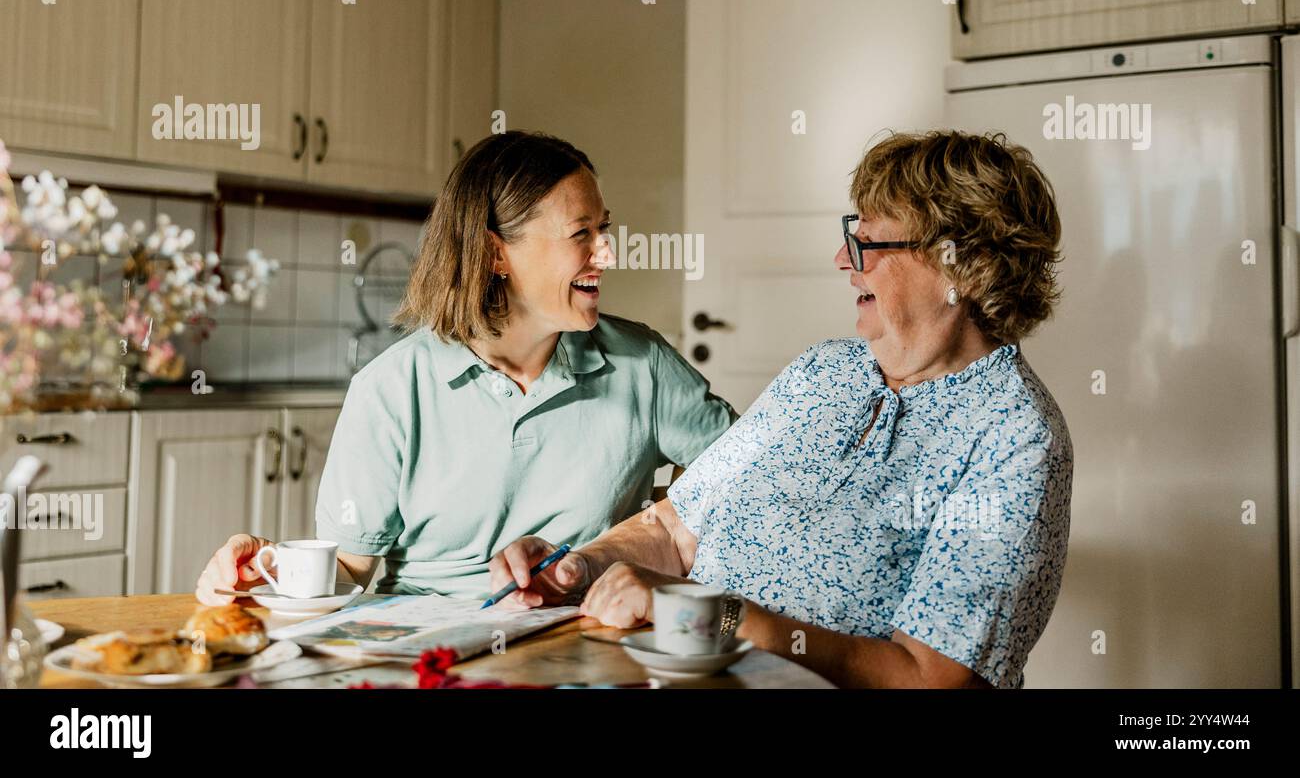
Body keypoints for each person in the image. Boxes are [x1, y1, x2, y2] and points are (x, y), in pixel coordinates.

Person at [490, 129, 1073, 689]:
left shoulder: (1014, 434)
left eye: (867, 242)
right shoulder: (824, 370)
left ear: (959, 265)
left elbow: (929, 677)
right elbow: (675, 527)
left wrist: (705, 614)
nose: (844, 260)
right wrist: (578, 569)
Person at [195, 131, 735, 604]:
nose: (608, 254)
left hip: (589, 634)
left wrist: (656, 528)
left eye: (605, 229)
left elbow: (746, 475)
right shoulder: (390, 389)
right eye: (582, 234)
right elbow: (351, 573)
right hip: (430, 645)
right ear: (496, 254)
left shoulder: (642, 363)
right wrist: (267, 569)